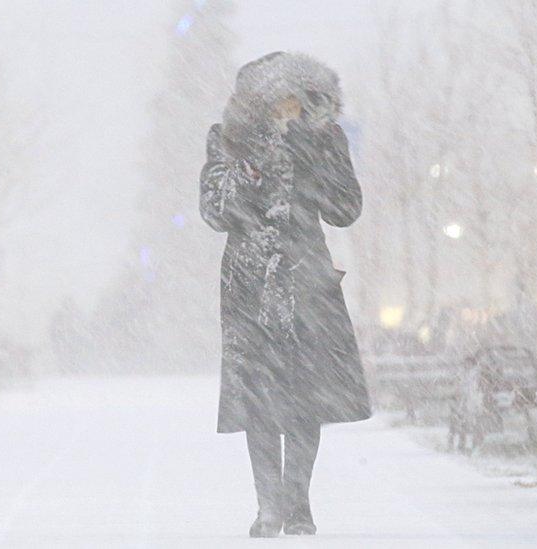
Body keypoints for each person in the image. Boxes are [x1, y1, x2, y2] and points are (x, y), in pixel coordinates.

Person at [199, 51, 371, 538]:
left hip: (307, 279)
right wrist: (247, 176)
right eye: (276, 100)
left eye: (295, 100)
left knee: (303, 397)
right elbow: (213, 211)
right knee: (258, 397)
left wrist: (311, 160)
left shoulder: (325, 138)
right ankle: (267, 507)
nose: (286, 108)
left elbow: (346, 209)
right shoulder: (229, 140)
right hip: (250, 281)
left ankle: (298, 502)